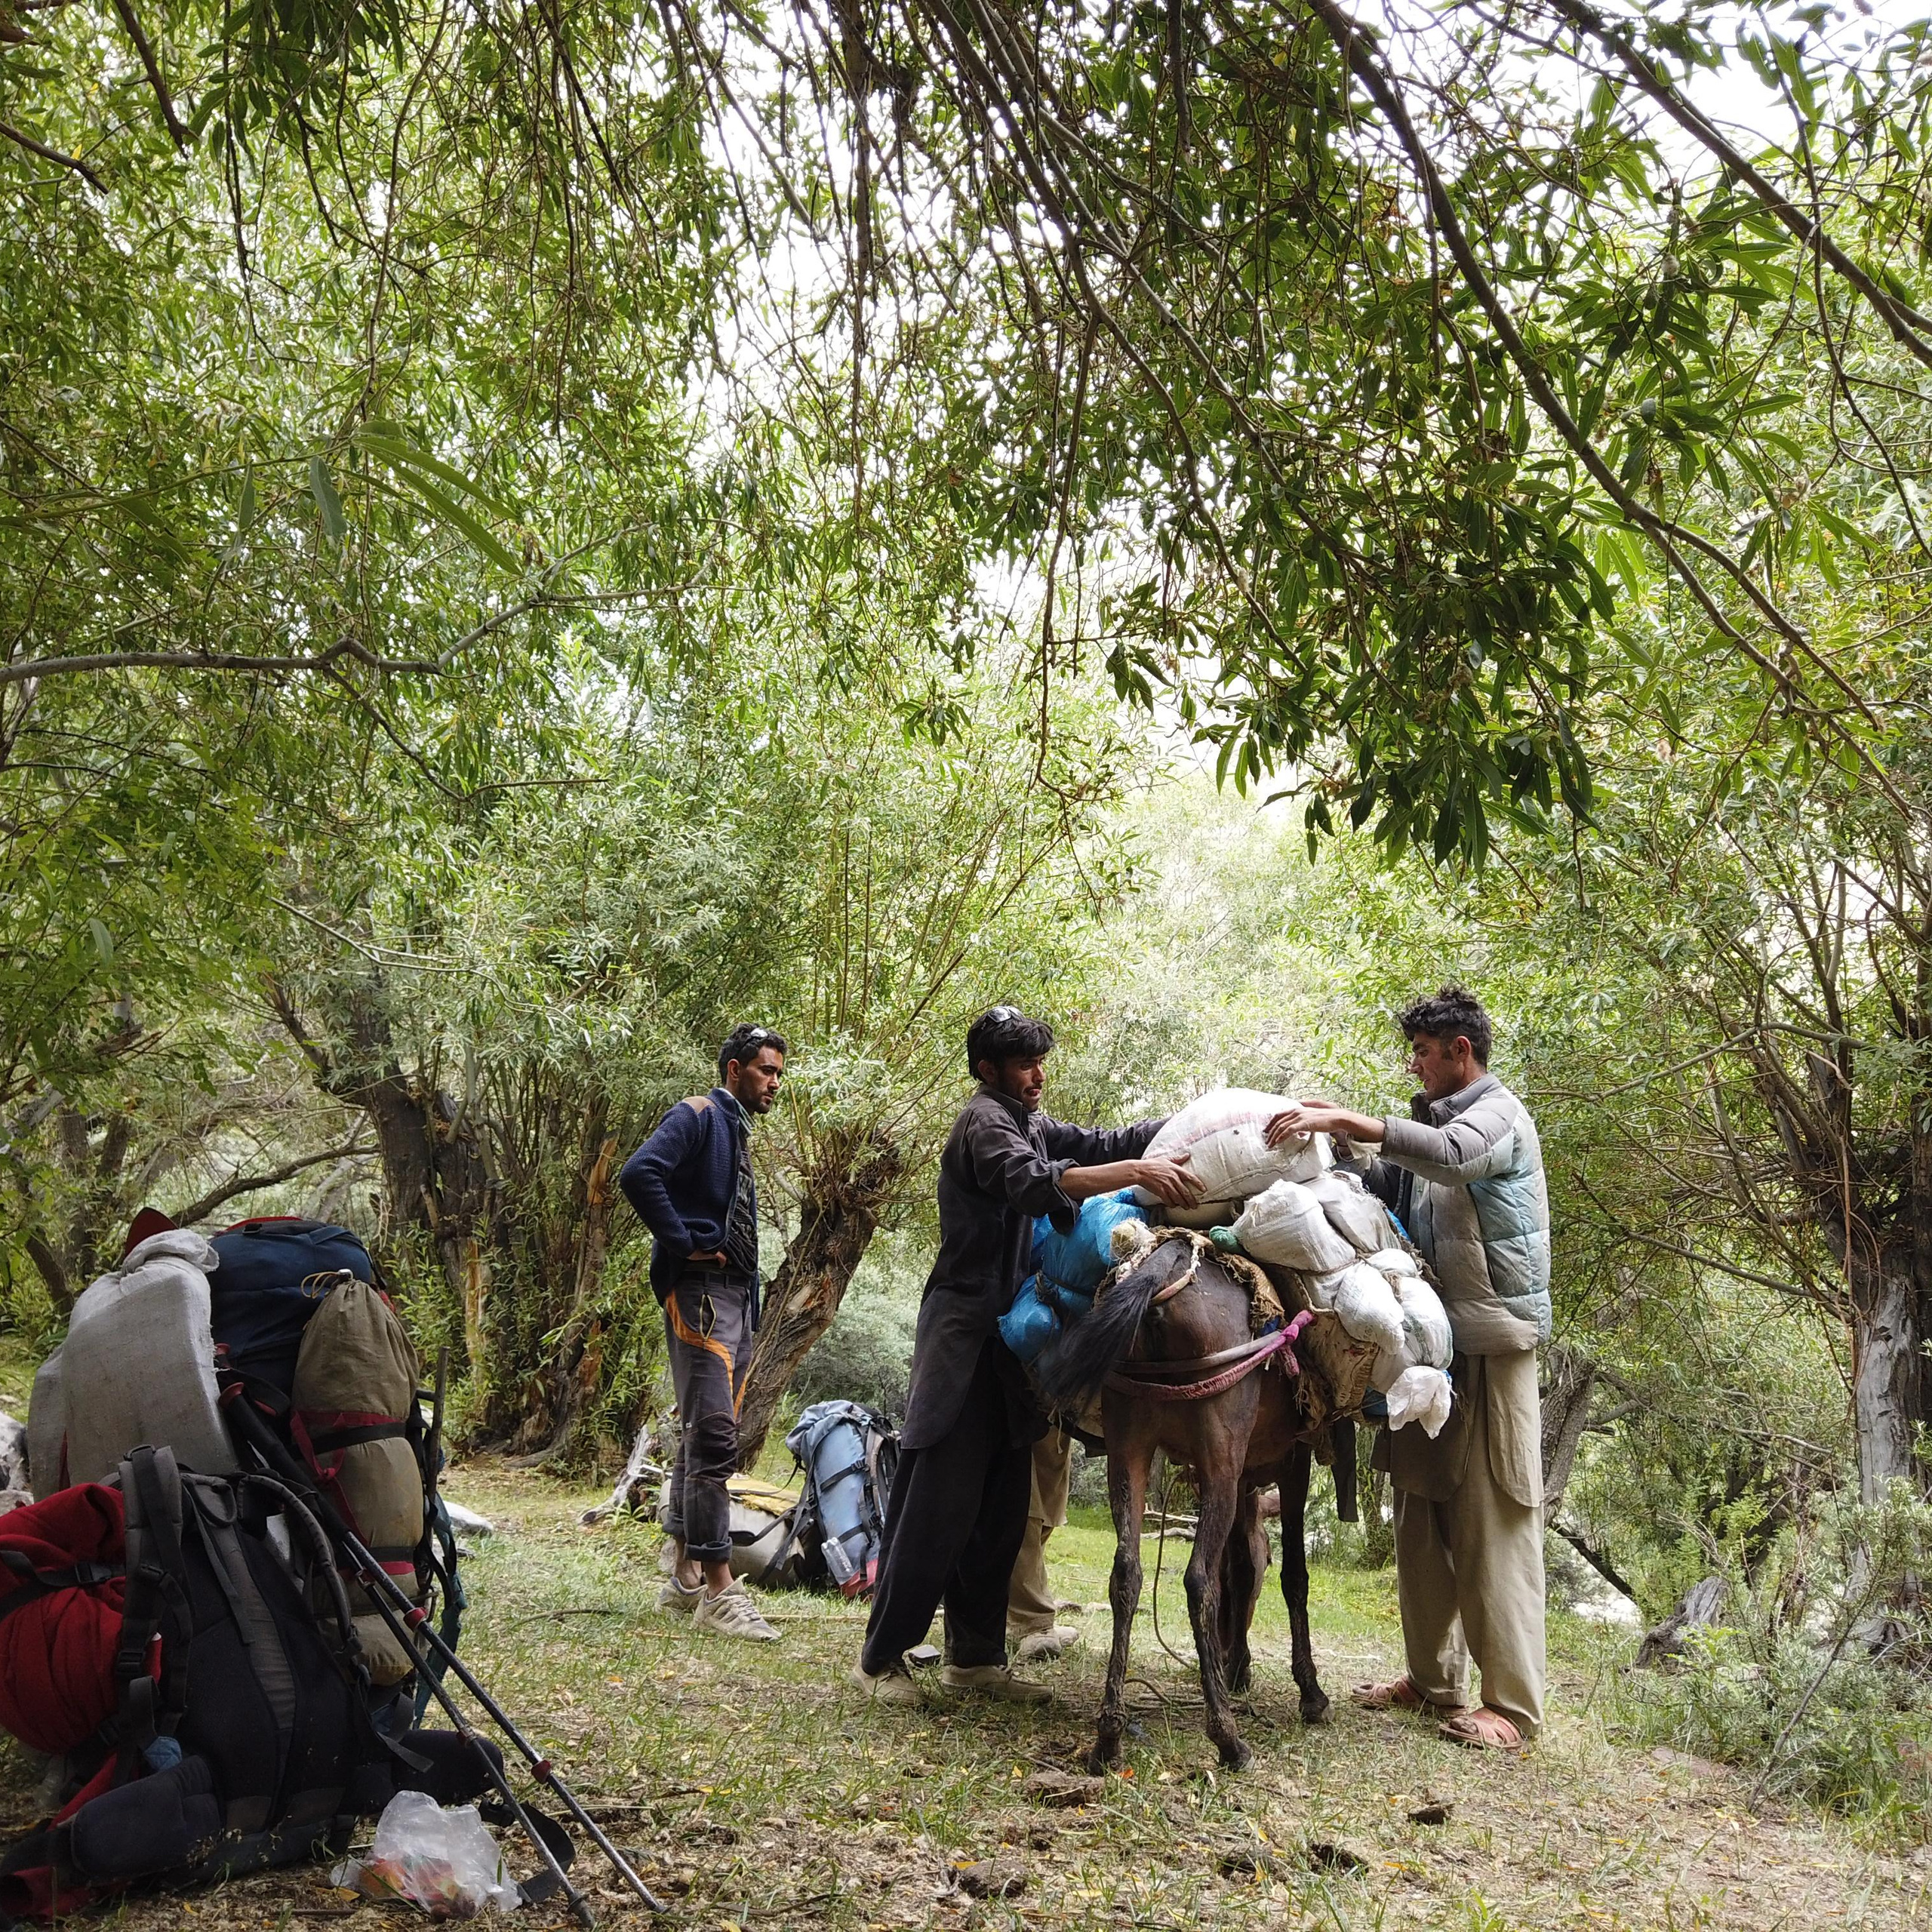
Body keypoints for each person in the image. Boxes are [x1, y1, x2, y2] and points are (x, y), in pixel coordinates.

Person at [851, 1006, 1203, 1704]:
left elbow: (1102, 1139)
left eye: (1041, 1062)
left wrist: (1197, 1120)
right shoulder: (985, 1122)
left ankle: (976, 1660)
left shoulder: (1031, 1121)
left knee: (1003, 1503)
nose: (1037, 1076)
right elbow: (1033, 1186)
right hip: (964, 1334)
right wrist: (1131, 1171)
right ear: (989, 1070)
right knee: (940, 1500)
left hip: (1016, 1338)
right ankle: (883, 1658)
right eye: (1023, 1065)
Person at [1265, 984, 1549, 1750]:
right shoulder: (1432, 1125)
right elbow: (1398, 1188)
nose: (1414, 1064)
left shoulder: (1496, 1117)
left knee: (1493, 1514)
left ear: (1461, 1051)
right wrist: (1346, 1144)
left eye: (1424, 1051)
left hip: (1490, 1346)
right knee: (1422, 1510)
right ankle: (1432, 1680)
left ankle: (1513, 1707)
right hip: (1430, 1350)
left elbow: (1455, 1162)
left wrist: (1351, 1120)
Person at [620, 1023, 789, 1643]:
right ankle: (720, 1588)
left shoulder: (735, 1130)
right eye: (766, 1070)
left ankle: (684, 1571)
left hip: (734, 1300)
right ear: (735, 1068)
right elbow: (640, 1174)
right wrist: (686, 1241)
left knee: (703, 1433)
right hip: (701, 1296)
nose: (775, 1082)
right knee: (716, 1435)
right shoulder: (698, 1114)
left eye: (778, 1073)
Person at [1005, 1427, 1078, 1663]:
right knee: (1023, 1491)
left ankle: (1008, 1615)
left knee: (1050, 1489)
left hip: (1055, 1404)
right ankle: (1030, 1621)